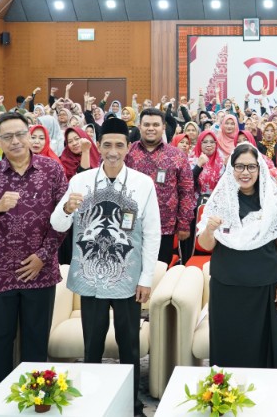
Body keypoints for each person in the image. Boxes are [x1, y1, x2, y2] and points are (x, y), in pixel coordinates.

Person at [51, 117, 159, 416]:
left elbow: (152, 232)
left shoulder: (142, 183)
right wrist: (67, 208)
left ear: (128, 148)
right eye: (107, 144)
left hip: (128, 276)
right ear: (98, 146)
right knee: (92, 345)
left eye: (119, 145)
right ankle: (92, 401)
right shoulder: (80, 181)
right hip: (90, 276)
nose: (113, 151)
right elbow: (57, 224)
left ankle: (131, 404)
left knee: (130, 347)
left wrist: (147, 277)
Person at [0, 112, 68, 388]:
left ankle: (38, 398)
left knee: (36, 342)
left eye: (20, 134)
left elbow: (64, 218)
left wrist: (43, 257)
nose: (16, 141)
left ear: (30, 134)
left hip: (40, 272)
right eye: (7, 137)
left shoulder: (52, 170)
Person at [198, 143, 277, 369]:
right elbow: (206, 244)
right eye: (239, 167)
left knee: (264, 347)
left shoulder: (272, 202)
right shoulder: (220, 201)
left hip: (265, 286)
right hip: (227, 286)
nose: (245, 172)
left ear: (260, 169)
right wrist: (210, 229)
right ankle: (226, 394)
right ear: (231, 170)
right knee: (229, 344)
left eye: (251, 167)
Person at [125, 108, 194, 267]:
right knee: (131, 270)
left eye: (156, 124)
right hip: (131, 226)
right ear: (139, 126)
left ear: (163, 127)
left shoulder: (177, 155)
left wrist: (184, 223)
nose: (151, 128)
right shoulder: (128, 152)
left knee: (159, 271)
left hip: (165, 227)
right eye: (147, 124)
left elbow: (187, 191)